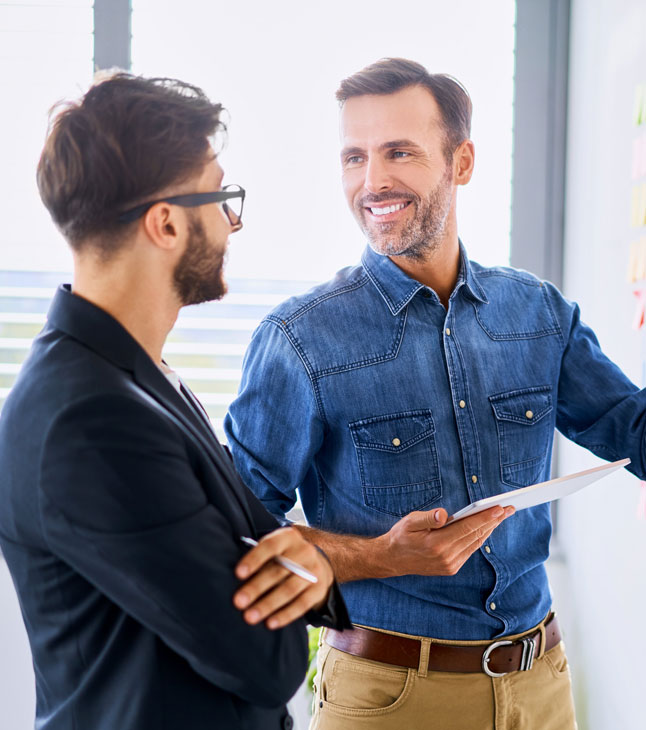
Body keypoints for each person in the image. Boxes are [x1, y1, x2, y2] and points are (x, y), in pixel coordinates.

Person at [224, 58, 646, 729]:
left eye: (399, 153)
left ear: (463, 162)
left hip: (541, 688)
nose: (373, 181)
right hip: (390, 698)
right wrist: (379, 556)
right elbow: (237, 537)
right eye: (354, 157)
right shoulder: (300, 340)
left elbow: (632, 427)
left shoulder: (538, 314)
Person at [0, 73, 350, 730]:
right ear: (165, 223)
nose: (230, 222)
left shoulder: (132, 376)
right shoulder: (92, 420)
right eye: (219, 197)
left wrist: (300, 555)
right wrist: (311, 568)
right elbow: (263, 661)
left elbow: (256, 539)